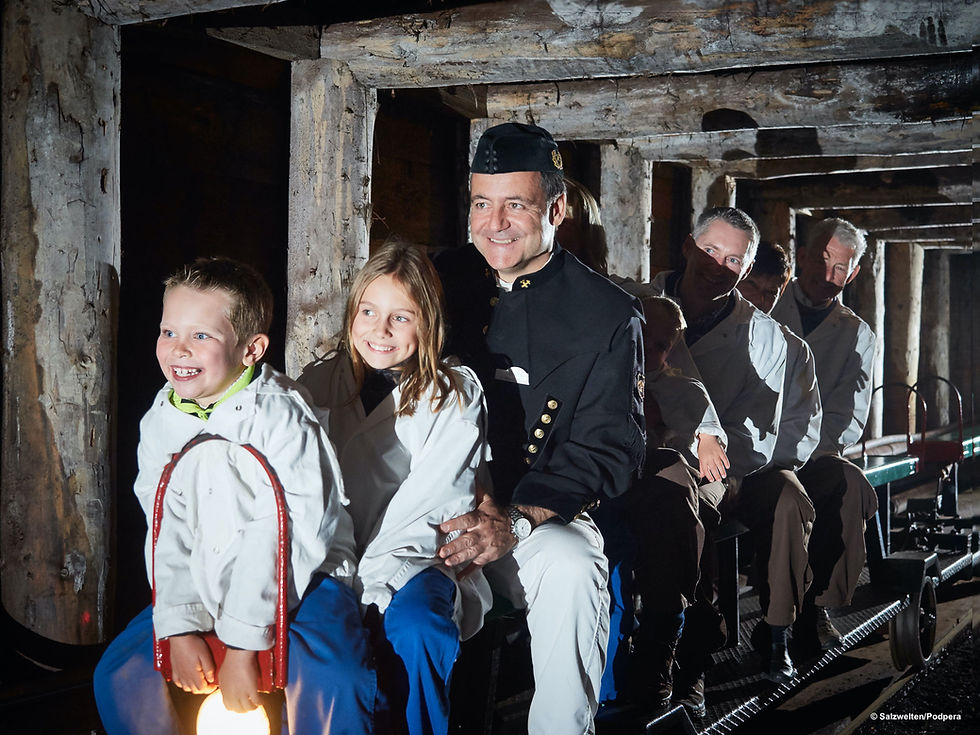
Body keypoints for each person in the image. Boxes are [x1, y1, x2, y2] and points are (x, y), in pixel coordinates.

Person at [93, 257, 383, 735]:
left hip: (304, 579)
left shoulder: (283, 419)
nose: (178, 349)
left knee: (335, 677)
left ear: (251, 349)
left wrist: (244, 646)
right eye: (169, 332)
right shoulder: (162, 420)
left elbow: (290, 536)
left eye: (201, 336)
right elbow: (165, 527)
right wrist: (180, 626)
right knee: (119, 674)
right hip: (205, 576)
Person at [434, 122, 646, 734]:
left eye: (515, 205)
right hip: (430, 506)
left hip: (532, 516)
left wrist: (518, 517)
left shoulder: (606, 313)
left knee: (576, 564)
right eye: (481, 203)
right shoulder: (436, 282)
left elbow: (612, 447)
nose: (494, 223)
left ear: (555, 208)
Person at [298, 242, 492, 735]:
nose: (379, 331)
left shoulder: (454, 392)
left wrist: (369, 589)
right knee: (319, 645)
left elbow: (432, 503)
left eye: (400, 317)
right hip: (327, 554)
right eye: (368, 311)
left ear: (427, 322)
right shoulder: (318, 383)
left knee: (419, 628)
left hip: (417, 556)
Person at [648, 206, 788, 717]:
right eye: (710, 251)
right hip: (638, 449)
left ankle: (687, 661)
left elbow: (757, 428)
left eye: (734, 260)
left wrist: (719, 462)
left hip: (714, 466)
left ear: (746, 271)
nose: (718, 266)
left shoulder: (765, 336)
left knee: (685, 509)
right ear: (687, 246)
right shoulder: (640, 301)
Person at [595, 290, 729, 708]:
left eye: (661, 346)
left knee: (682, 506)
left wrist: (697, 440)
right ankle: (676, 644)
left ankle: (673, 650)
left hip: (678, 490)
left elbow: (710, 454)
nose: (649, 352)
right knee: (673, 511)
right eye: (643, 340)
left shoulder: (684, 390)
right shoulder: (605, 381)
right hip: (625, 490)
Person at [770, 218, 879, 651]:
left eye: (840, 267)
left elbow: (847, 419)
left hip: (812, 455)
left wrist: (795, 453)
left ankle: (816, 607)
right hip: (751, 452)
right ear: (801, 255)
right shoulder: (764, 305)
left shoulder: (856, 335)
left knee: (847, 484)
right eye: (820, 258)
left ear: (852, 275)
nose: (826, 273)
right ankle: (774, 620)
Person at [735, 240, 820, 681]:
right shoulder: (693, 332)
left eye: (772, 292)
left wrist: (756, 463)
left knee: (790, 502)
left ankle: (775, 632)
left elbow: (803, 428)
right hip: (703, 468)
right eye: (753, 287)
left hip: (762, 469)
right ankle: (683, 637)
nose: (760, 300)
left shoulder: (793, 351)